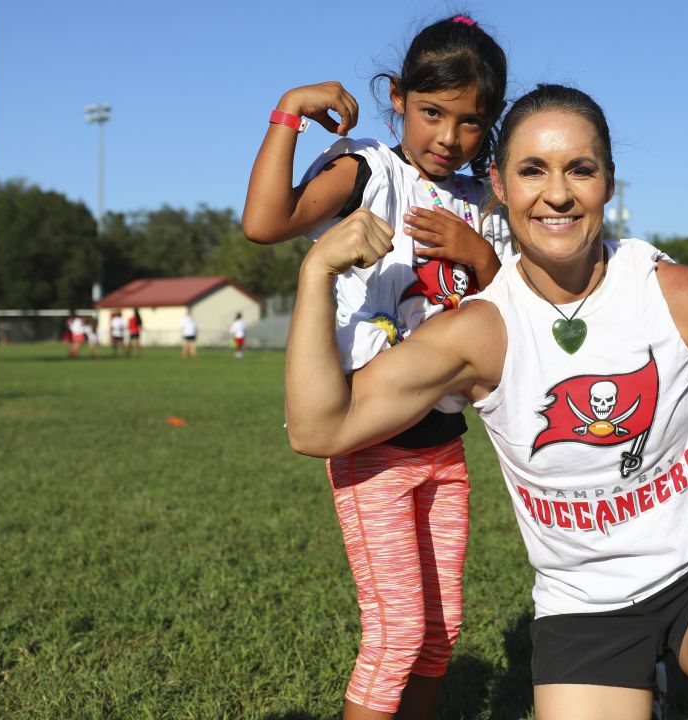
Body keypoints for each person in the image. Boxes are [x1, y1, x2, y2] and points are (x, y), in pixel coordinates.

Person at [284, 84, 688, 720]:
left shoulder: (674, 294)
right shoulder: (481, 330)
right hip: (583, 605)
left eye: (580, 170)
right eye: (532, 170)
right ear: (500, 188)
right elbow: (321, 428)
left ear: (609, 184)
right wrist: (316, 274)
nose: (557, 193)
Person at [243, 15, 511, 720]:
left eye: (471, 122)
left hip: (445, 451)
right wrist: (290, 113)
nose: (448, 138)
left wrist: (479, 257)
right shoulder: (370, 168)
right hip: (371, 447)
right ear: (396, 97)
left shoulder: (487, 205)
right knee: (395, 635)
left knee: (440, 633)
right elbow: (268, 222)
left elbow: (509, 320)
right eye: (431, 112)